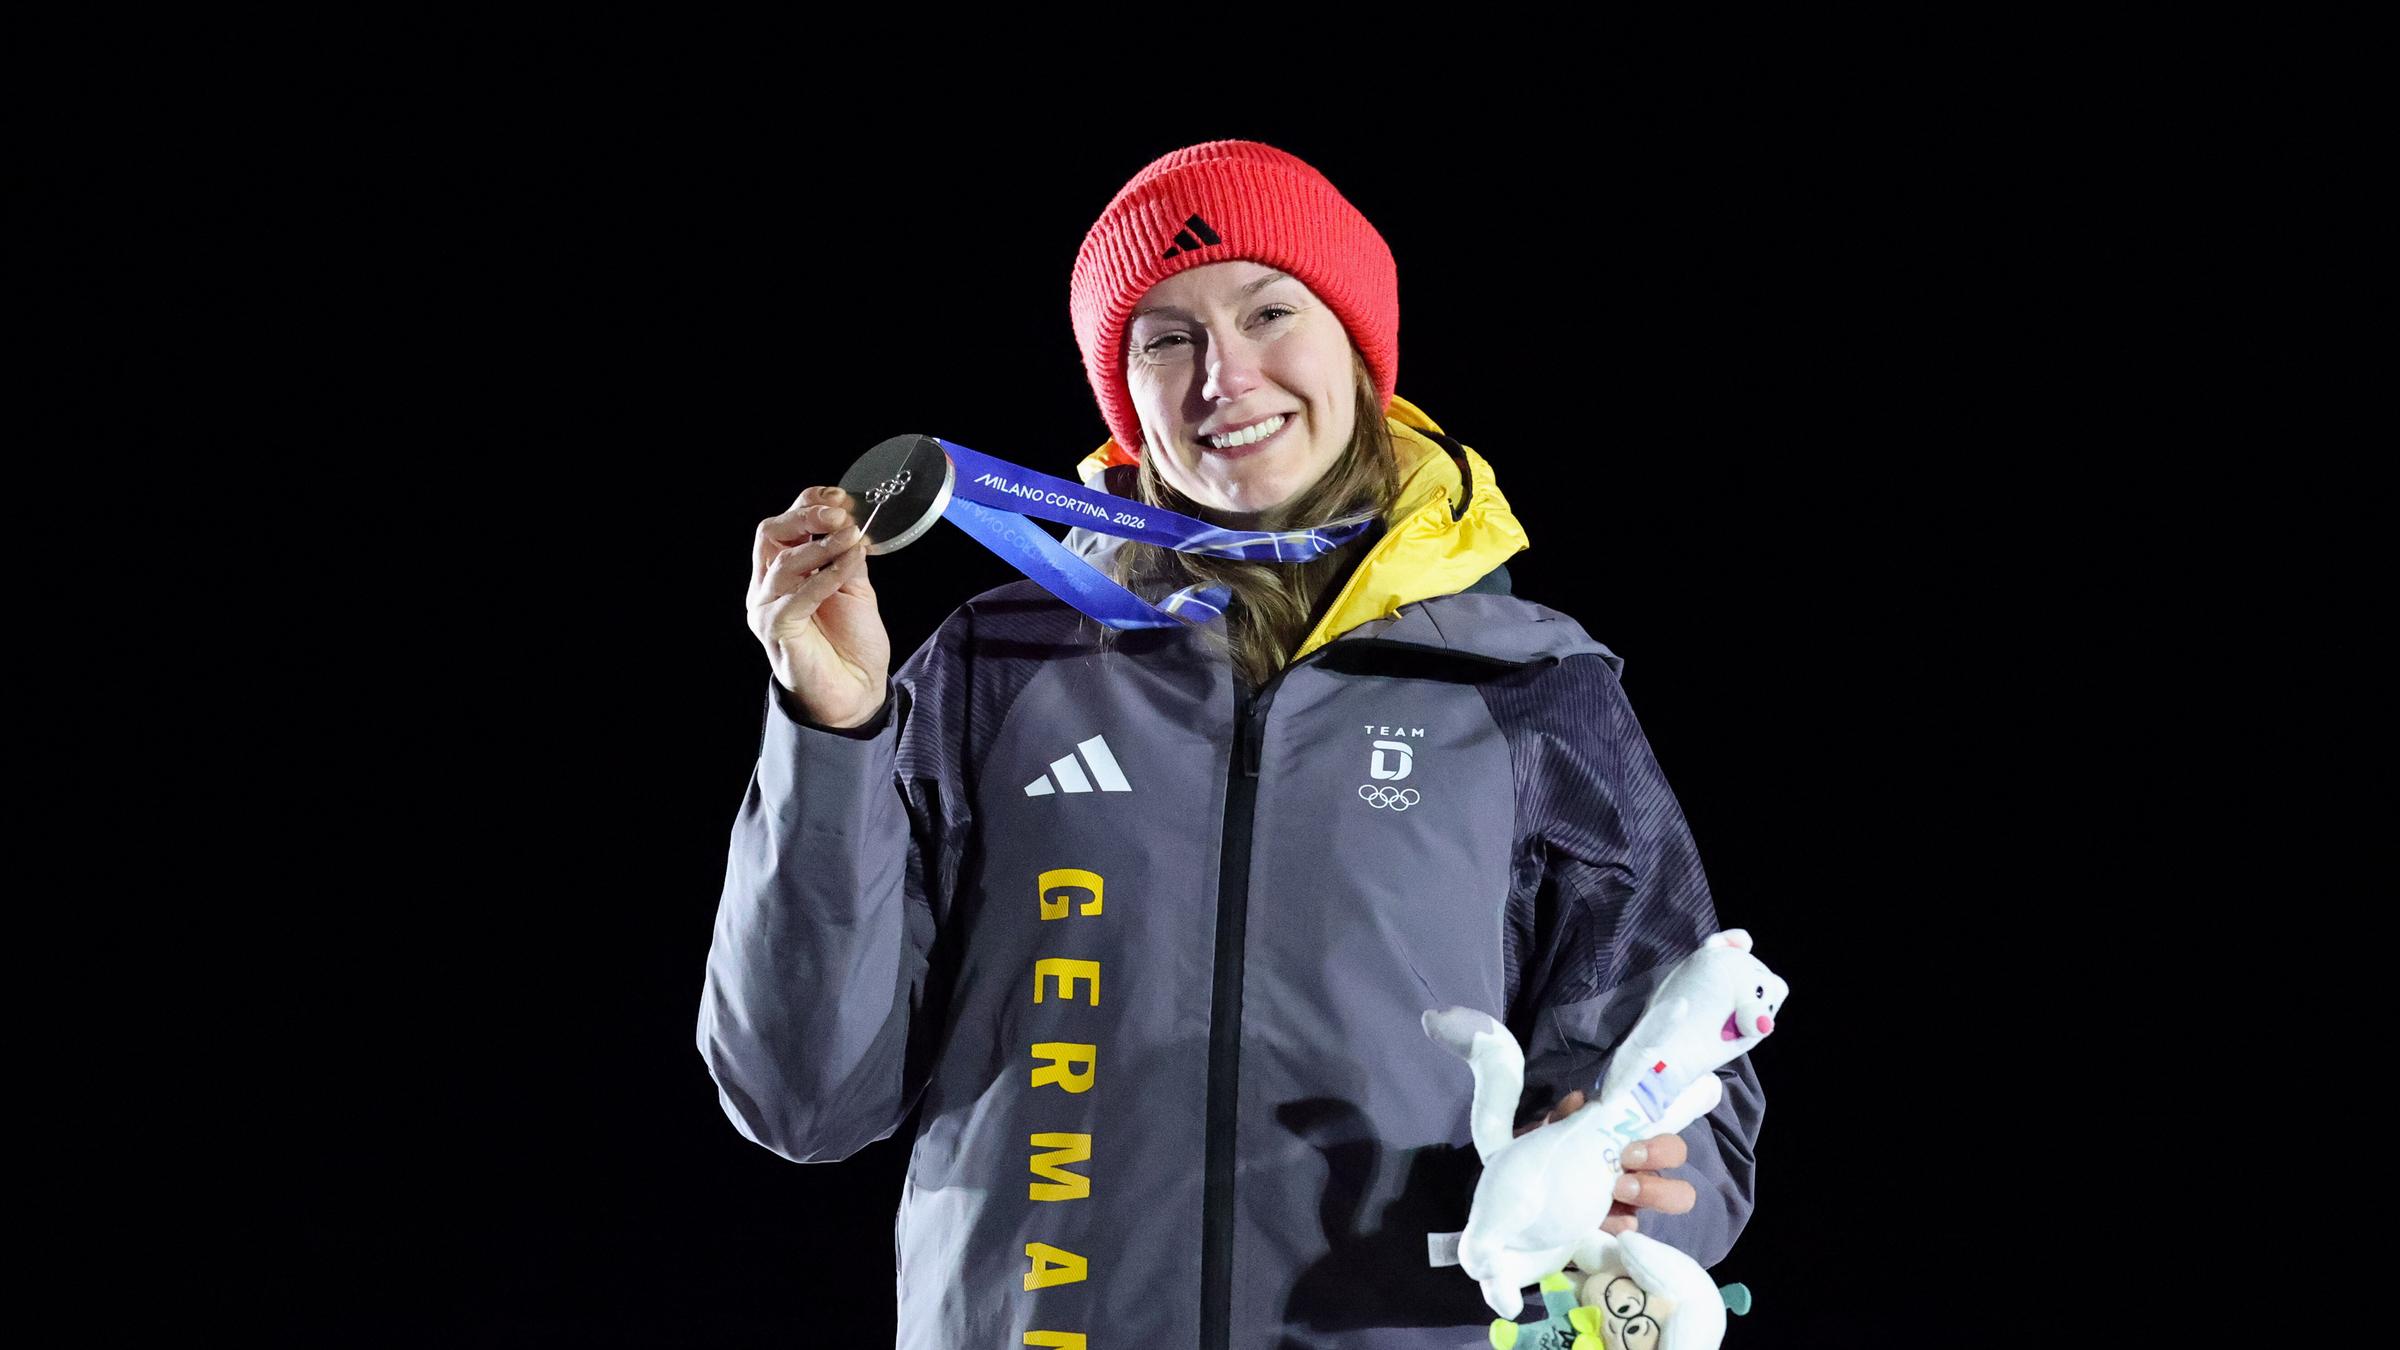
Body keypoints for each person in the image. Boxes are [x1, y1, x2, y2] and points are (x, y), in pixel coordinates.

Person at [702, 139, 1764, 1349]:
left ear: (1361, 348)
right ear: (1125, 388)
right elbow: (802, 1097)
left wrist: (1627, 1186)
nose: (1227, 376)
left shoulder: (1528, 685)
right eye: (1167, 336)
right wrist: (830, 732)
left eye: (1271, 311)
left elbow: (1697, 1122)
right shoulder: (1000, 666)